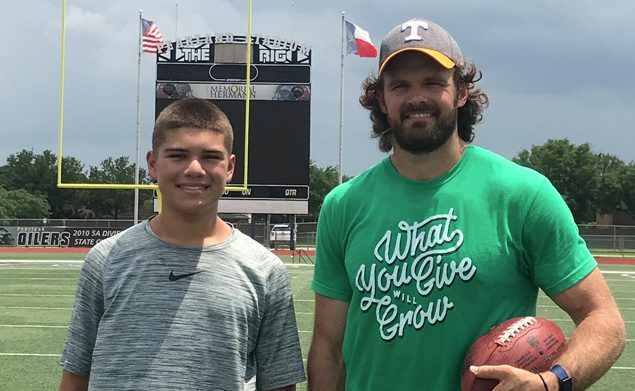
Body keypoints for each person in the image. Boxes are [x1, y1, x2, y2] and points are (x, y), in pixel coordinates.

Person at [308, 18, 625, 391]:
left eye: (433, 82)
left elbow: (604, 320)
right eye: (400, 86)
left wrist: (551, 383)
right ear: (381, 99)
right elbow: (329, 348)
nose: (416, 97)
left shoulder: (523, 194)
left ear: (461, 92)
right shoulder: (343, 205)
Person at [58, 98, 306, 391]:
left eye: (211, 156)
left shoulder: (264, 269)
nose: (194, 168)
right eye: (178, 155)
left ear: (230, 167)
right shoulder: (107, 258)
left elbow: (279, 384)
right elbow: (76, 374)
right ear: (152, 163)